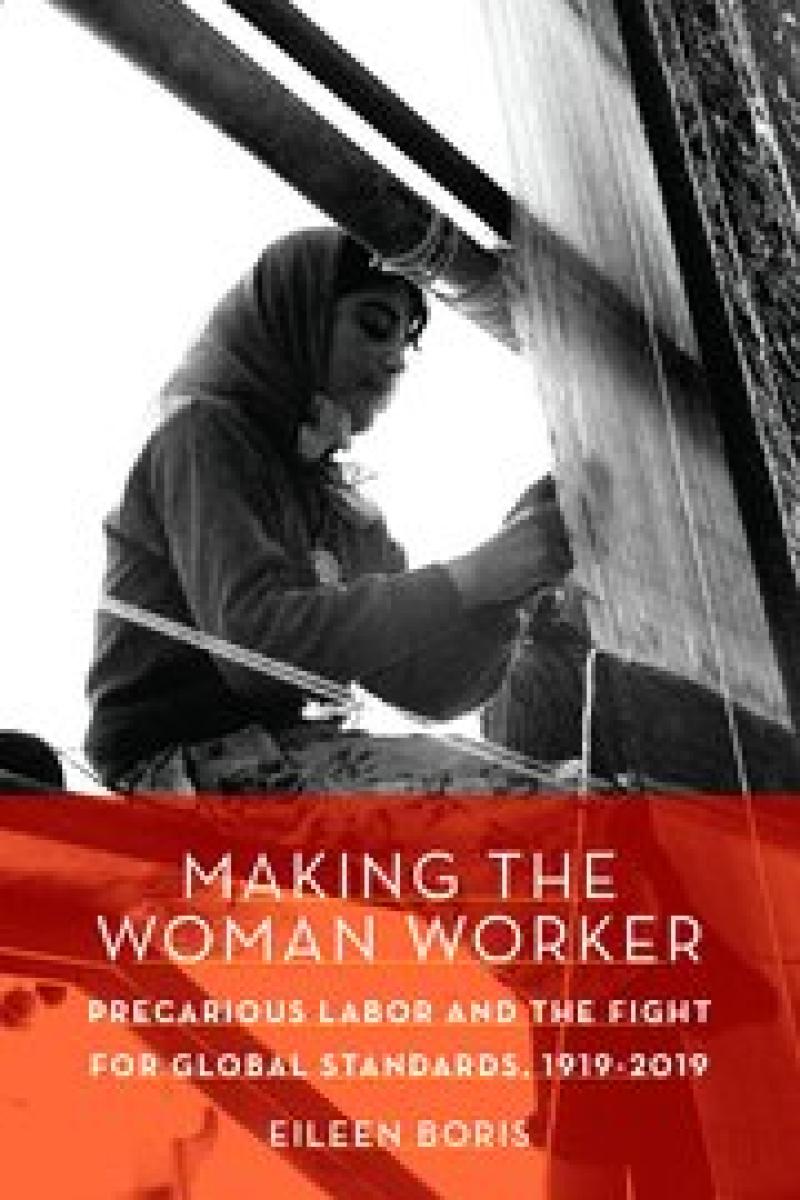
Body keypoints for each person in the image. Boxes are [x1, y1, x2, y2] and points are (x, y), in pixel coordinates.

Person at [85, 227, 572, 791]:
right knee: (545, 813)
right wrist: (471, 577)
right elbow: (256, 651)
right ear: (299, 318)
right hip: (177, 771)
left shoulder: (336, 505)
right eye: (373, 327)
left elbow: (426, 686)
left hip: (280, 749)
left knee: (571, 799)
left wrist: (505, 592)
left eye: (404, 345)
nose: (392, 361)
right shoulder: (202, 440)